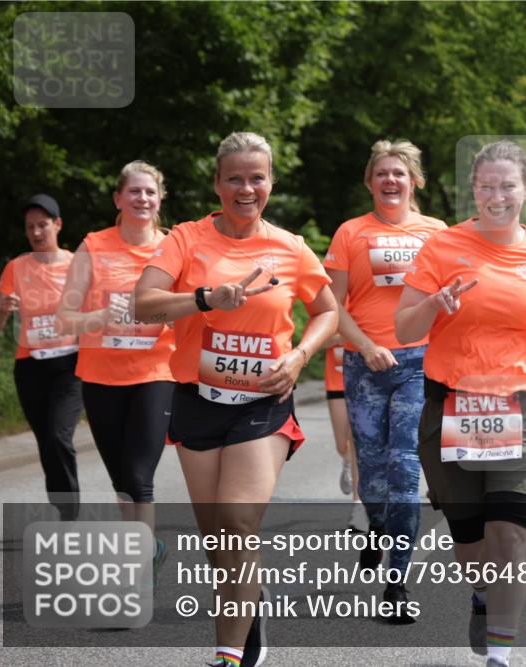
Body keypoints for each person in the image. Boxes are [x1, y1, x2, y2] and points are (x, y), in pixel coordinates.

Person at [134, 132, 338, 667]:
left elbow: (328, 311)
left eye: (257, 178)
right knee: (218, 541)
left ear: (270, 182)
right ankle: (250, 612)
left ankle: (228, 657)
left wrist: (298, 360)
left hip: (262, 404)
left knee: (237, 521)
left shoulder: (290, 247)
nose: (246, 189)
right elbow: (144, 304)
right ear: (217, 183)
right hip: (198, 399)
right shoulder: (186, 238)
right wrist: (205, 298)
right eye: (235, 178)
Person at [394, 140, 526, 667]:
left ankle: (499, 658)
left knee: (508, 536)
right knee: (470, 542)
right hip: (452, 408)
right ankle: (481, 597)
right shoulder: (441, 248)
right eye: (486, 185)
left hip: (523, 408)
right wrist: (435, 304)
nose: (496, 195)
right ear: (473, 188)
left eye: (508, 185)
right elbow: (403, 326)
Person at [323, 139, 446, 619]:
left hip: (419, 364)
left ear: (414, 180)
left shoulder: (438, 233)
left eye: (399, 173)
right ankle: (377, 528)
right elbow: (332, 305)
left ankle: (397, 587)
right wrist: (367, 346)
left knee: (404, 472)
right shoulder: (351, 233)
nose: (390, 181)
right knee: (371, 476)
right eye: (381, 174)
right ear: (369, 182)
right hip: (364, 366)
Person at [56, 163, 176, 575]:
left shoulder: (172, 247)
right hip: (102, 377)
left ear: (159, 199)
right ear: (118, 199)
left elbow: (188, 308)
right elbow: (65, 317)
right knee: (124, 483)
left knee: (140, 478)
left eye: (150, 192)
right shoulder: (93, 246)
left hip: (156, 372)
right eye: (134, 192)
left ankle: (136, 575)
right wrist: (104, 315)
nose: (142, 199)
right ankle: (149, 547)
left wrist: (175, 316)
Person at [0, 195, 83, 520]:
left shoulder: (77, 264)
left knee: (59, 435)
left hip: (70, 365)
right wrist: (1, 311)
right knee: (46, 440)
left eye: (43, 224)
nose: (36, 232)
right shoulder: (16, 267)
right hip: (29, 366)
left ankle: (70, 512)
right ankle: (62, 504)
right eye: (30, 227)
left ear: (57, 224)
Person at [323, 337, 369, 533]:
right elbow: (319, 341)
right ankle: (347, 461)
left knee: (357, 440)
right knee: (343, 445)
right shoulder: (333, 309)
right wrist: (342, 336)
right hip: (337, 380)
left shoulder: (367, 308)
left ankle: (359, 508)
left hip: (364, 379)